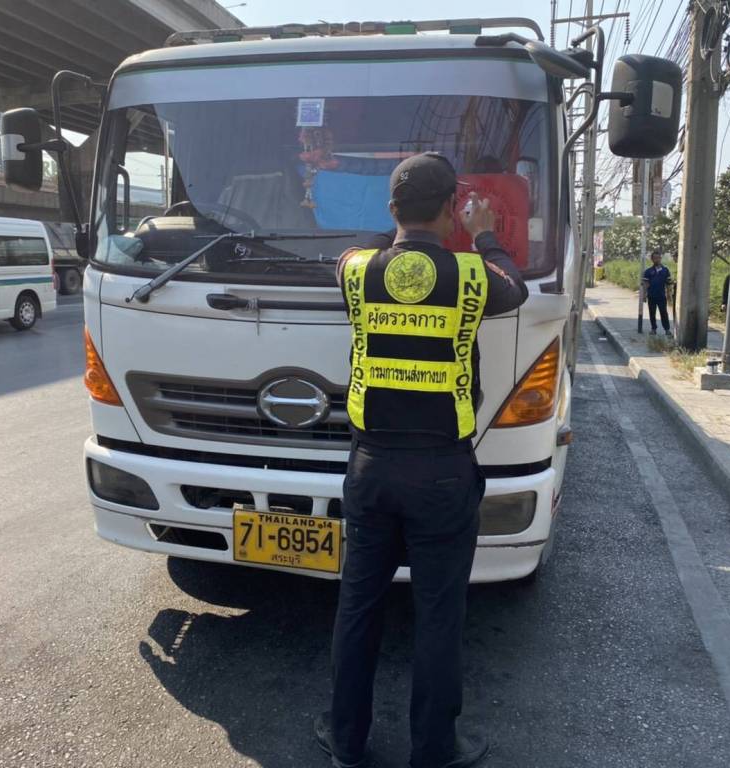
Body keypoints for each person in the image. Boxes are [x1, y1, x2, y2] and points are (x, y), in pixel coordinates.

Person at [318, 152, 528, 768]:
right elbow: (514, 287)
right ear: (450, 211)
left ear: (392, 209)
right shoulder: (473, 274)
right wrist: (483, 232)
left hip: (371, 468)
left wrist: (395, 228)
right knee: (439, 614)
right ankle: (434, 749)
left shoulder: (355, 271)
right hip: (442, 471)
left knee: (358, 605)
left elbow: (361, 254)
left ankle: (346, 740)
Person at [642, 252, 673, 337]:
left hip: (661, 296)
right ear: (652, 259)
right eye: (655, 258)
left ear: (660, 258)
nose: (657, 260)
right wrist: (644, 295)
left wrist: (669, 295)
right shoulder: (648, 271)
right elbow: (646, 284)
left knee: (664, 313)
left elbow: (668, 284)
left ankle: (667, 329)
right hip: (651, 296)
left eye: (658, 258)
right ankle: (653, 329)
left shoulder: (665, 270)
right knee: (652, 313)